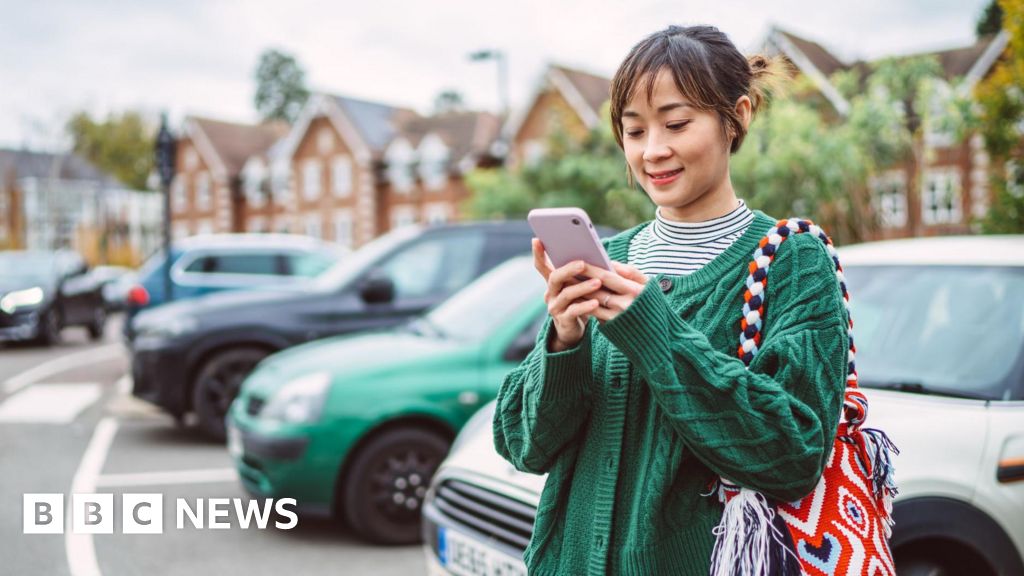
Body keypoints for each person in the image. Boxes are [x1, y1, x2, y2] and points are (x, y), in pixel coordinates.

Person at [493, 25, 850, 576]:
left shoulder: (793, 260)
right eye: (633, 132)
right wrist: (564, 341)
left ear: (739, 115)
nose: (652, 151)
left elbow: (792, 455)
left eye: (677, 123)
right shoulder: (604, 258)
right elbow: (523, 446)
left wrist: (655, 332)